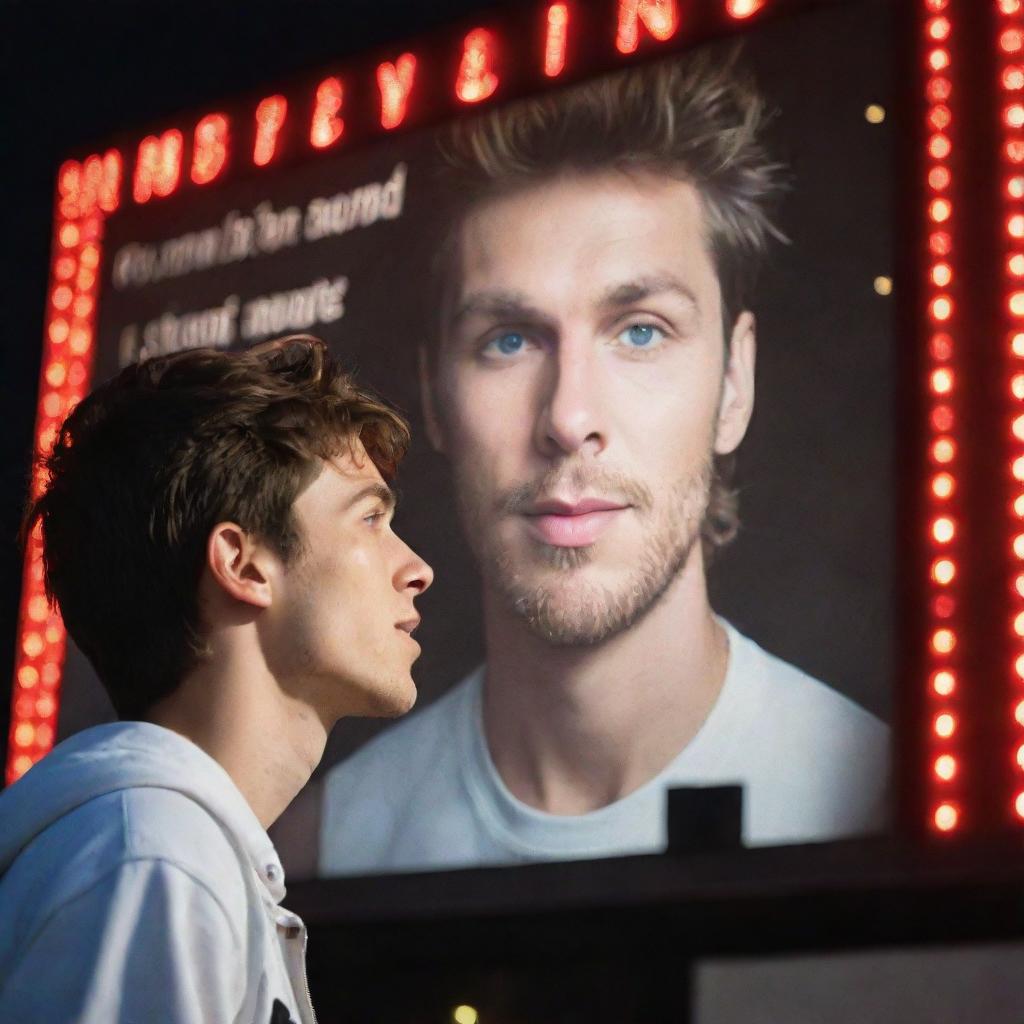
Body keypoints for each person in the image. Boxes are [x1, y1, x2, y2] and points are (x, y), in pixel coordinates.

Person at [320, 51, 888, 876]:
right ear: (434, 398)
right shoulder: (326, 845)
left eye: (641, 330)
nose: (567, 418)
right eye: (507, 341)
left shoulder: (870, 795)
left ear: (736, 383)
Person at [0, 337, 432, 1021]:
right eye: (372, 518)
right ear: (244, 563)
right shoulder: (154, 860)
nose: (416, 568)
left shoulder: (165, 856)